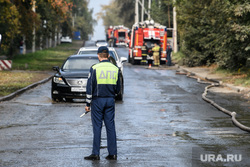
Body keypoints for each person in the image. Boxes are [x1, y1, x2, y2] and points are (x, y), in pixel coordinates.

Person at [84, 46, 121, 161]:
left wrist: (88, 104)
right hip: (110, 100)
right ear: (108, 55)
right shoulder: (115, 68)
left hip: (97, 100)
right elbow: (118, 88)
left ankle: (96, 153)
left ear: (98, 55)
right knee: (110, 127)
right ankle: (113, 153)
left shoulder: (94, 68)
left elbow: (90, 87)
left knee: (97, 127)